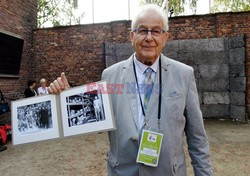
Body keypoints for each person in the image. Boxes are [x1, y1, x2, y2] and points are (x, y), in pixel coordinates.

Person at [48, 4, 213, 176]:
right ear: (132, 36)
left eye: (156, 31)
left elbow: (197, 139)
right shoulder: (110, 75)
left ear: (165, 37)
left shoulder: (184, 75)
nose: (149, 38)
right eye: (142, 30)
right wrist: (67, 98)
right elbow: (93, 120)